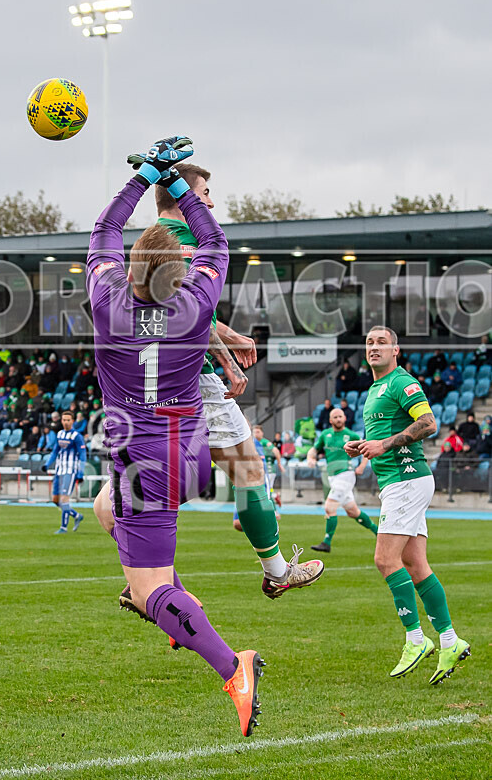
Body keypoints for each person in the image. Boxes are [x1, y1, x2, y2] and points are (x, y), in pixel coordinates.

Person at [86, 138, 323, 737]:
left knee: (148, 587)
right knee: (105, 510)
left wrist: (141, 179)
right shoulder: (194, 304)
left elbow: (103, 232)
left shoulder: (106, 303)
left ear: (130, 269)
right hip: (186, 445)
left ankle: (226, 658)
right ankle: (220, 588)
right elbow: (214, 241)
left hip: (140, 456)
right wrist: (179, 185)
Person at [345, 326, 470, 685]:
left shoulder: (402, 382)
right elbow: (387, 435)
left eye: (381, 342)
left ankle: (416, 639)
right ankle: (449, 640)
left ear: (396, 350)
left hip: (407, 480)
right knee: (415, 563)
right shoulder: (373, 389)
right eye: (369, 343)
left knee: (385, 560)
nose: (374, 347)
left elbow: (429, 423)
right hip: (399, 483)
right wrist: (366, 444)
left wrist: (382, 445)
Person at [307, 408, 376, 553]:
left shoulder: (350, 435)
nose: (338, 419)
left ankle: (326, 542)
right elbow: (314, 449)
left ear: (344, 418)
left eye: (340, 416)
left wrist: (362, 466)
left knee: (329, 507)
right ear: (330, 420)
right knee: (353, 512)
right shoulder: (326, 434)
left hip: (345, 474)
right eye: (335, 417)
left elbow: (366, 450)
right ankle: (380, 532)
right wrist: (310, 458)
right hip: (332, 477)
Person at [42, 410, 86, 534]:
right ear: (61, 421)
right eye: (64, 420)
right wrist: (47, 464)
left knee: (64, 499)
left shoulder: (77, 436)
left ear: (72, 421)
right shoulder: (60, 434)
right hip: (59, 470)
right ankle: (77, 516)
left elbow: (83, 455)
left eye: (68, 420)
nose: (66, 422)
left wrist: (80, 473)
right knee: (55, 500)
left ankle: (63, 528)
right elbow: (55, 451)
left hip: (70, 471)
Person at [233, 425, 284, 531]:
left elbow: (275, 451)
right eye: (255, 432)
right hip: (250, 476)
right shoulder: (244, 442)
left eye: (258, 432)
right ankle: (274, 500)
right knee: (238, 523)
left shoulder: (263, 442)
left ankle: (272, 511)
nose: (256, 434)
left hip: (268, 471)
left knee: (266, 492)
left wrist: (279, 464)